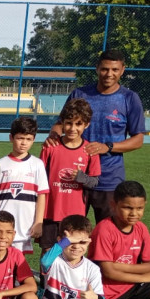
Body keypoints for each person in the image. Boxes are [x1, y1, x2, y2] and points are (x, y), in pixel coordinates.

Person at [48, 49, 146, 222]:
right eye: (105, 69)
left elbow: (138, 140)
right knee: (69, 233)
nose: (109, 74)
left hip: (109, 178)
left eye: (115, 70)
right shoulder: (80, 94)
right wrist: (54, 136)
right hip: (74, 177)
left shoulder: (130, 98)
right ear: (97, 68)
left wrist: (107, 147)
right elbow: (59, 124)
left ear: (122, 70)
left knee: (108, 230)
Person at [40, 99, 101, 255]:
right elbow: (39, 178)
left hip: (75, 215)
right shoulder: (51, 147)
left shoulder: (89, 150)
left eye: (78, 124)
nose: (72, 128)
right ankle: (47, 280)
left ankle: (67, 280)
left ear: (86, 124)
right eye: (68, 123)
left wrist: (82, 178)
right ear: (62, 123)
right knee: (48, 252)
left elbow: (94, 182)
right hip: (50, 212)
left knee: (71, 252)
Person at [0, 117, 48, 254]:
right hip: (1, 223)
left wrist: (39, 222)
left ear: (34, 139)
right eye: (20, 138)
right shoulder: (1, 164)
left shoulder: (37, 164)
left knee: (19, 263)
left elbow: (41, 196)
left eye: (28, 139)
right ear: (11, 138)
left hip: (24, 224)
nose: (24, 143)